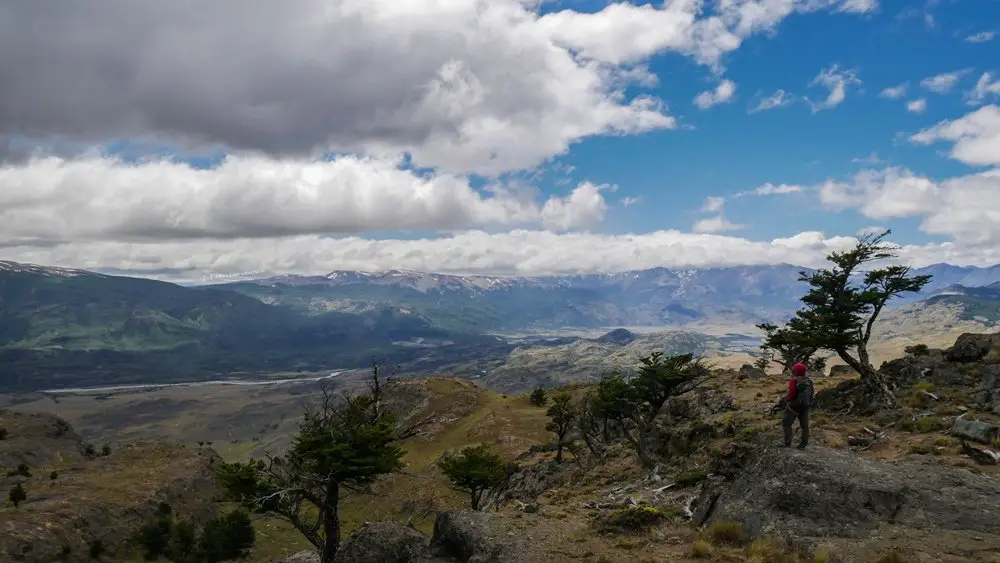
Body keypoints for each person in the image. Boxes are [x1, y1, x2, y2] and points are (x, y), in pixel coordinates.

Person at [782, 362, 813, 449]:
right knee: (805, 426)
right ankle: (803, 444)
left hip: (794, 406)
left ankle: (787, 442)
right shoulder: (809, 381)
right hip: (805, 406)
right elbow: (811, 394)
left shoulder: (794, 380)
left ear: (795, 371)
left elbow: (792, 394)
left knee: (786, 423)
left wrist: (787, 400)